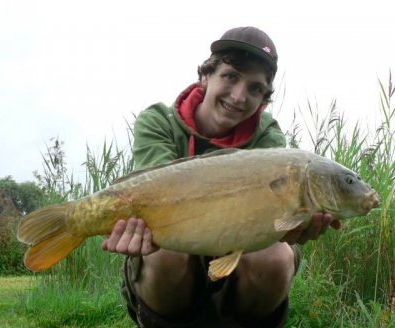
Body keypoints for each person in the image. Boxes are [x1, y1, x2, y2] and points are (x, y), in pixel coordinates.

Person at [102, 26, 341, 328]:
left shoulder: (268, 139)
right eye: (230, 76)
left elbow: (275, 220)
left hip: (242, 248)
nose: (239, 96)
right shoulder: (158, 120)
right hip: (173, 235)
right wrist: (128, 225)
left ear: (264, 99)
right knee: (166, 254)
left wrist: (293, 224)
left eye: (255, 88)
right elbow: (156, 193)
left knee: (277, 257)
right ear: (205, 76)